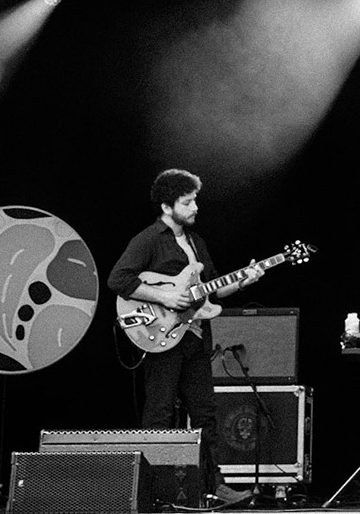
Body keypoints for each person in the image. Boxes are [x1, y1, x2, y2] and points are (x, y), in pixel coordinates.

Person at [108, 169, 263, 505]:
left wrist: (244, 280)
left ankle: (215, 485)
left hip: (194, 336)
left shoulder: (196, 242)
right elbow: (118, 280)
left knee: (206, 414)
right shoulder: (149, 240)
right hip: (162, 337)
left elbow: (214, 289)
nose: (195, 207)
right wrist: (164, 296)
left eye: (195, 201)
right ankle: (151, 490)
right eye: (187, 202)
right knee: (160, 413)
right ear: (167, 207)